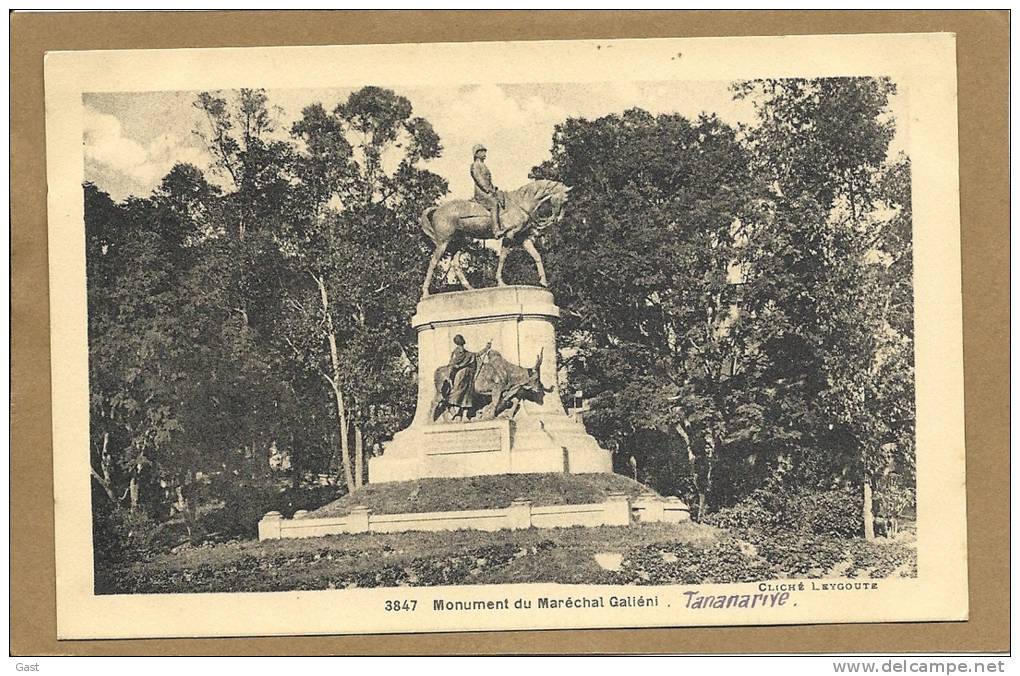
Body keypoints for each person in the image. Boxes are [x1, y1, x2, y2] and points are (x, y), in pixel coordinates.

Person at [445, 334, 492, 420]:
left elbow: (475, 355)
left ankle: (462, 414)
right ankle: (454, 410)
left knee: (466, 394)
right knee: (460, 392)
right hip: (463, 374)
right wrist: (486, 348)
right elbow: (476, 354)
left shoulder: (462, 353)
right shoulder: (461, 353)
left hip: (466, 375)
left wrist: (486, 348)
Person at [470, 144, 506, 237]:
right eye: (481, 151)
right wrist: (488, 190)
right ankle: (496, 230)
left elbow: (488, 181)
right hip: (481, 193)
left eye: (484, 151)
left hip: (488, 191)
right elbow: (479, 180)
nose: (484, 153)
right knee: (494, 204)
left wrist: (494, 189)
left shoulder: (484, 165)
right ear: (476, 154)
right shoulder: (475, 165)